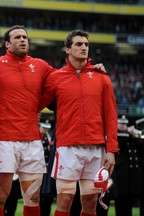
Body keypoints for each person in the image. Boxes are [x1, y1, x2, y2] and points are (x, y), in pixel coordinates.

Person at [39, 29, 118, 216]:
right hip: (67, 148)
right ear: (68, 49)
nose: (84, 48)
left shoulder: (102, 78)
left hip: (96, 147)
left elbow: (111, 116)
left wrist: (112, 150)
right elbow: (37, 102)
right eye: (79, 44)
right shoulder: (55, 78)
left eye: (86, 45)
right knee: (64, 200)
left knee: (90, 202)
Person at [0, 25, 54, 216]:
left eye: (25, 37)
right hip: (4, 139)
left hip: (32, 139)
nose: (23, 40)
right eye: (17, 37)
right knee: (0, 194)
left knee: (33, 197)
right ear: (7, 44)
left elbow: (65, 79)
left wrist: (93, 69)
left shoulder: (40, 65)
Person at [112, 114, 144, 216]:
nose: (123, 125)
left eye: (125, 124)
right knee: (122, 206)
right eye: (121, 123)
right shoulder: (116, 136)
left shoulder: (134, 136)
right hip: (122, 179)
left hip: (136, 179)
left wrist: (134, 136)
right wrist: (125, 132)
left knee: (135, 203)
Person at [38, 120, 55, 216]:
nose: (45, 130)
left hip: (48, 171)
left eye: (46, 128)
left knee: (48, 196)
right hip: (39, 169)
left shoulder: (50, 137)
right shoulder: (37, 138)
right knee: (37, 196)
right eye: (43, 127)